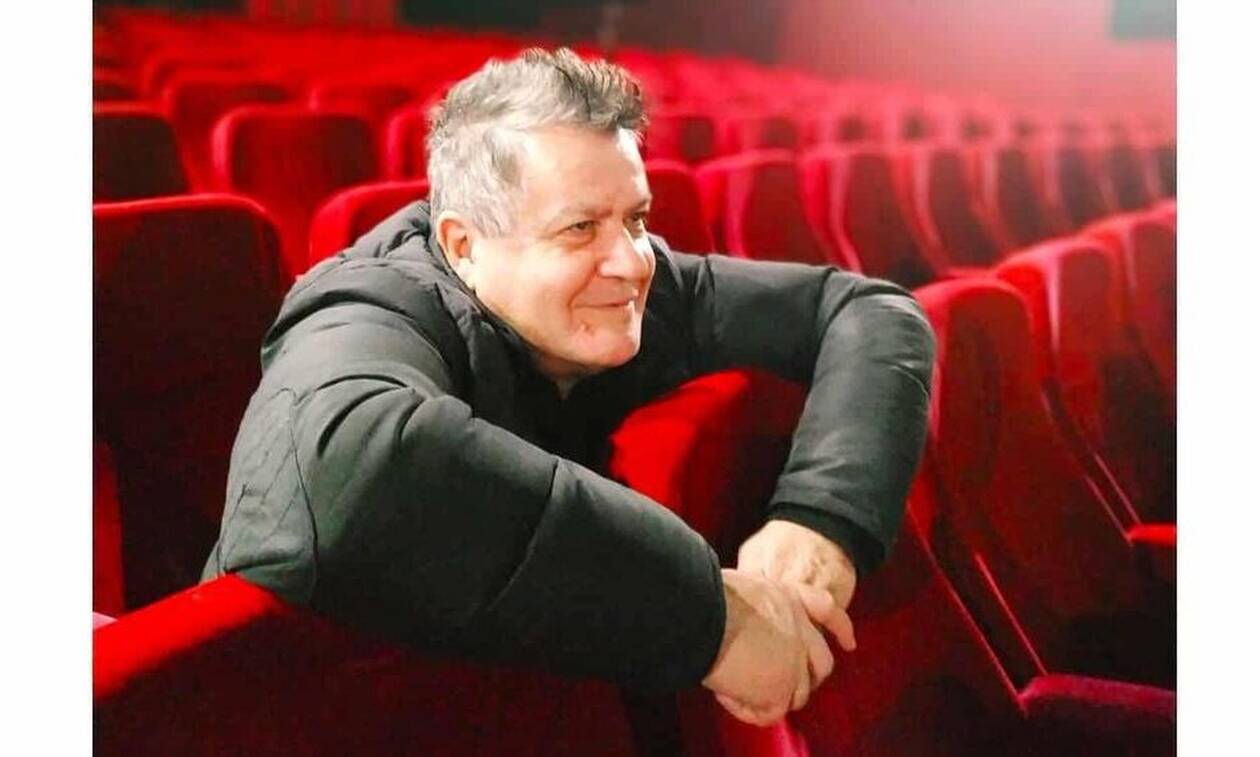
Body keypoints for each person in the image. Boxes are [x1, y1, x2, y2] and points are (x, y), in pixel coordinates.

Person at [202, 48, 934, 727]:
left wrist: (820, 518)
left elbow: (869, 309)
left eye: (636, 218)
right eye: (579, 228)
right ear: (463, 245)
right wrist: (716, 618)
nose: (633, 262)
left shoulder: (628, 288)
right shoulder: (370, 307)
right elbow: (350, 473)